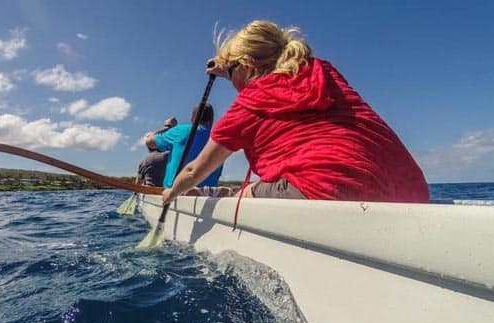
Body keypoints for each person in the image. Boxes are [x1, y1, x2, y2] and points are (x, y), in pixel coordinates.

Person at [162, 20, 430, 204]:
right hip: (412, 189)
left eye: (232, 72)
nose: (231, 81)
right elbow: (282, 75)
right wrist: (227, 69)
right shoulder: (323, 71)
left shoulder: (249, 105)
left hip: (329, 189)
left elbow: (193, 171)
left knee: (243, 197)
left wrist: (171, 194)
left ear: (247, 64)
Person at [145, 104, 223, 189]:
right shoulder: (219, 140)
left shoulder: (180, 131)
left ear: (193, 119)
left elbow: (149, 142)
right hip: (207, 196)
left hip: (176, 194)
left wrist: (167, 126)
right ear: (212, 120)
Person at [136, 117, 176, 186]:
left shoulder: (144, 160)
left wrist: (166, 127)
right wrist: (170, 127)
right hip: (167, 192)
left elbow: (137, 183)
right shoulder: (170, 156)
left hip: (148, 193)